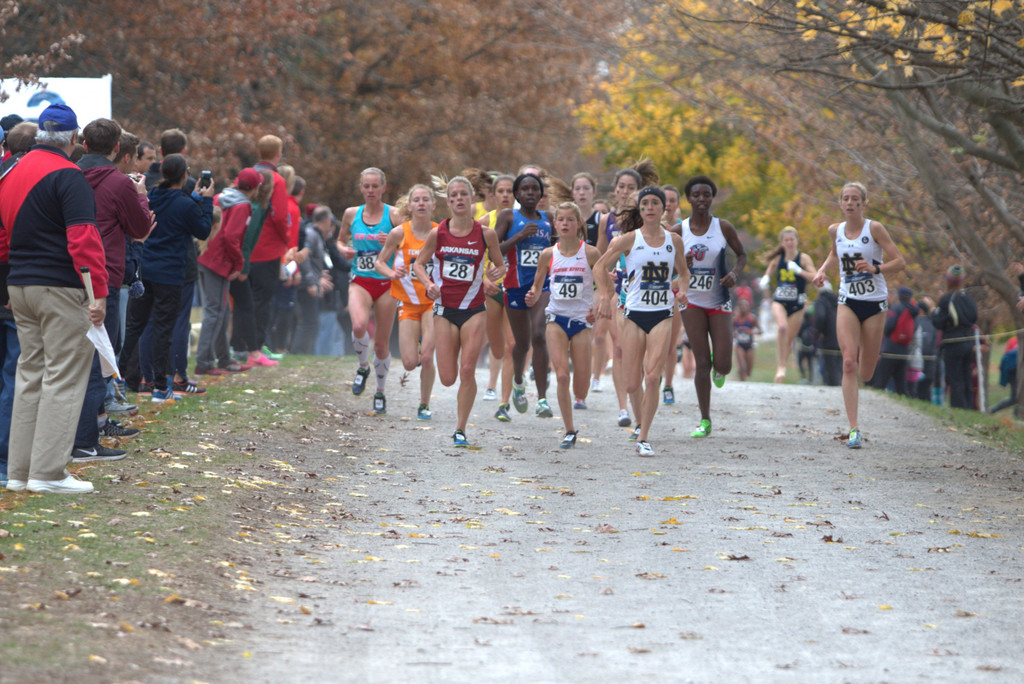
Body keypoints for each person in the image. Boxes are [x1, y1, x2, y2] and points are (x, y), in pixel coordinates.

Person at [0, 103, 107, 493]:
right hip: (60, 287)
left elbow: (3, 237)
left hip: (20, 284)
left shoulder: (11, 171)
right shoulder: (68, 174)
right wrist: (99, 293)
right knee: (63, 376)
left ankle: (19, 472)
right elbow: (83, 237)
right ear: (74, 139)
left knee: (30, 375)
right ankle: (47, 474)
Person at [72, 117, 154, 461]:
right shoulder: (119, 183)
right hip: (105, 275)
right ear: (117, 148)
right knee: (101, 356)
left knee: (74, 359)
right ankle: (86, 438)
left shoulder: (67, 174)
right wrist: (141, 197)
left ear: (85, 145)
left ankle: (91, 426)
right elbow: (139, 228)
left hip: (66, 271)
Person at [595, 186, 689, 456]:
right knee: (632, 383)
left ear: (664, 209)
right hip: (633, 314)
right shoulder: (627, 240)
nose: (650, 207)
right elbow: (599, 267)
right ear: (640, 209)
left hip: (662, 314)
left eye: (655, 203)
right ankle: (638, 422)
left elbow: (684, 272)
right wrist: (604, 296)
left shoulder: (674, 240)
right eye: (645, 203)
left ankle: (644, 436)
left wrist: (681, 290)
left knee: (652, 377)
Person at [413, 176, 504, 447]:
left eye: (463, 194)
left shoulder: (485, 234)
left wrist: (495, 273)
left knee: (467, 370)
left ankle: (460, 428)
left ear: (471, 198)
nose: (459, 199)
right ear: (448, 200)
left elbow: (501, 266)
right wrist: (428, 283)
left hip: (474, 309)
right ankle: (458, 421)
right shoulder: (438, 233)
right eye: (453, 195)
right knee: (448, 377)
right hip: (443, 310)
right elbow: (419, 264)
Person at [812, 181, 905, 447]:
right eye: (846, 198)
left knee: (866, 373)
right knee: (849, 362)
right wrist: (821, 271)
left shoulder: (874, 228)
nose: (850, 203)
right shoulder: (835, 230)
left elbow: (900, 261)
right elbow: (834, 254)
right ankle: (854, 429)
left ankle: (867, 367)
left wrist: (875, 269)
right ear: (840, 203)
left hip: (874, 303)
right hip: (848, 301)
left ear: (864, 203)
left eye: (855, 199)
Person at [120, 154, 214, 402]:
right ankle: (161, 387)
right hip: (171, 274)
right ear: (184, 175)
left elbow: (169, 211)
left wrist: (194, 199)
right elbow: (202, 229)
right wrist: (207, 201)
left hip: (145, 269)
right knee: (163, 329)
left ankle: (119, 380)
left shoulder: (151, 195)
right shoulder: (184, 205)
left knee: (135, 326)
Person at [524, 202, 600, 448]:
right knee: (562, 376)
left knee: (581, 388)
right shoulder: (548, 254)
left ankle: (580, 394)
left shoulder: (590, 253)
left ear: (578, 224)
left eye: (570, 219)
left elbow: (604, 288)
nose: (565, 223)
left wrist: (597, 308)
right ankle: (569, 430)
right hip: (556, 318)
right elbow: (537, 284)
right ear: (555, 224)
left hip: (580, 322)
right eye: (561, 219)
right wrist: (533, 295)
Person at [680, 175, 747, 438]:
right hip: (693, 301)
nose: (701, 200)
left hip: (718, 300)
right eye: (696, 195)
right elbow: (666, 259)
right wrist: (681, 264)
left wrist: (734, 273)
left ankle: (719, 364)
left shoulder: (723, 227)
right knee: (701, 363)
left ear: (712, 198)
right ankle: (705, 419)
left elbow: (742, 254)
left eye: (706, 195)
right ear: (689, 198)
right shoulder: (679, 231)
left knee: (724, 364)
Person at [336, 167, 402, 413]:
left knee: (382, 346)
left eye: (376, 186)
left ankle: (380, 392)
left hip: (386, 284)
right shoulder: (351, 214)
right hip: (361, 280)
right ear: (361, 188)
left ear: (383, 188)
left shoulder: (394, 215)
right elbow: (340, 240)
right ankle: (363, 367)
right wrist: (343, 249)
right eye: (367, 186)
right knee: (358, 326)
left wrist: (393, 241)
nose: (371, 190)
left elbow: (411, 244)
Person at [493, 173, 553, 420]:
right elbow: (493, 248)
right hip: (516, 286)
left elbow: (561, 249)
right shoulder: (508, 216)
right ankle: (518, 381)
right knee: (522, 343)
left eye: (534, 189)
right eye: (525, 189)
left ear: (540, 194)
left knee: (540, 335)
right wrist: (518, 236)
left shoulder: (549, 218)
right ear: (517, 194)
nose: (530, 193)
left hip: (543, 287)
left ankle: (541, 399)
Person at [376, 185, 438, 421]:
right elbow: (379, 262)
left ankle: (424, 404)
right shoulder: (399, 233)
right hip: (408, 302)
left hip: (433, 302)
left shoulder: (440, 231)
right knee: (411, 362)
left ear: (433, 205)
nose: (421, 203)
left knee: (426, 356)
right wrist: (393, 273)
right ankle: (420, 357)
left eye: (425, 200)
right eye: (417, 200)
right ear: (409, 206)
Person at [195, 169, 264, 375]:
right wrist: (238, 264)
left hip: (205, 255)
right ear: (255, 188)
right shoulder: (242, 205)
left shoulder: (220, 196)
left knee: (221, 312)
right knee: (215, 312)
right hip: (219, 261)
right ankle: (204, 362)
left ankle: (224, 358)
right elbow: (231, 238)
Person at [595, 168, 643, 426]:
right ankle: (623, 407)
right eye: (621, 186)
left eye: (630, 187)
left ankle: (640, 396)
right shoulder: (606, 220)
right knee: (620, 347)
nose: (625, 191)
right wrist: (602, 289)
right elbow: (599, 258)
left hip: (644, 293)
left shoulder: (650, 219)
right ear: (615, 189)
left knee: (639, 352)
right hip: (618, 291)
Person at [248, 136, 295, 360]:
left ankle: (240, 346)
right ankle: (256, 348)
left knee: (243, 299)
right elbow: (279, 217)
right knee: (263, 299)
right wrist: (285, 240)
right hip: (267, 248)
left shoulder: (247, 174)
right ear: (278, 153)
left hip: (245, 245)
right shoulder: (277, 180)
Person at [759, 226, 817, 383]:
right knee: (782, 328)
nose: (789, 242)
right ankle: (781, 367)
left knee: (789, 340)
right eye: (786, 240)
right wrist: (765, 278)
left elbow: (815, 277)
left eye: (792, 239)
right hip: (779, 301)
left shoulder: (803, 259)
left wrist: (799, 271)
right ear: (782, 242)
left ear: (797, 241)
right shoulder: (778, 258)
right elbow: (769, 270)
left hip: (797, 305)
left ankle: (782, 366)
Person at [922, 265, 978, 410]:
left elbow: (938, 322)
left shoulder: (946, 299)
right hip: (968, 341)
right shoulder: (968, 298)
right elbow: (974, 317)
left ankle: (958, 407)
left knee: (955, 378)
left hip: (953, 342)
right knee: (966, 376)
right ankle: (968, 407)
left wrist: (932, 309)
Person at [292, 205, 334, 355]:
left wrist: (319, 275)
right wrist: (311, 282)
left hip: (311, 282)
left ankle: (305, 352)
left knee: (311, 321)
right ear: (327, 219)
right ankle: (299, 352)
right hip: (306, 285)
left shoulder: (315, 235)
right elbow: (304, 258)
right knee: (308, 321)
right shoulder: (311, 234)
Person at [871, 286, 919, 395]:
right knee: (901, 382)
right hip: (904, 350)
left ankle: (875, 399)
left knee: (881, 379)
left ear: (900, 296)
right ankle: (904, 401)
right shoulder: (914, 312)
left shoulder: (896, 308)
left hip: (890, 348)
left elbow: (888, 327)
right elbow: (915, 328)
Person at [812, 281, 841, 386]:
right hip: (841, 336)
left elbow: (820, 316)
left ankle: (833, 388)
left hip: (828, 338)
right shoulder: (838, 300)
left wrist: (817, 332)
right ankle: (841, 387)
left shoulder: (821, 301)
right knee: (840, 366)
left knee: (830, 368)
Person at [733, 296, 761, 381]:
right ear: (739, 307)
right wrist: (734, 334)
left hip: (749, 345)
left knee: (748, 371)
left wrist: (751, 332)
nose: (744, 308)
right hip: (739, 345)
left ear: (749, 308)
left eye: (746, 306)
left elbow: (760, 331)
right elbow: (730, 331)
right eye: (742, 307)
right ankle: (742, 382)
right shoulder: (735, 319)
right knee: (742, 366)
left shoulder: (752, 318)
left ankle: (743, 375)